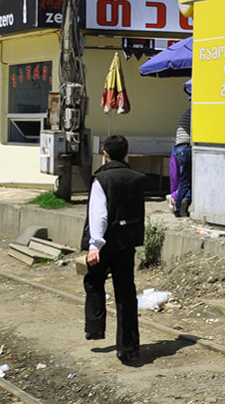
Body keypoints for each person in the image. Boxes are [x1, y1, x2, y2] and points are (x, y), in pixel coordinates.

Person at [82, 134, 148, 364]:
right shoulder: (138, 178)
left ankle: (95, 328)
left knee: (93, 281)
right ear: (127, 154)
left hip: (106, 242)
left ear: (105, 154)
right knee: (126, 293)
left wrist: (95, 244)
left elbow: (99, 214)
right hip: (128, 242)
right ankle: (128, 347)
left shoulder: (101, 179)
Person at [172, 81, 192, 219]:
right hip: (186, 148)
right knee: (187, 180)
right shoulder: (194, 112)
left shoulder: (187, 112)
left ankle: (185, 200)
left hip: (179, 148)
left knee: (187, 179)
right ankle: (179, 208)